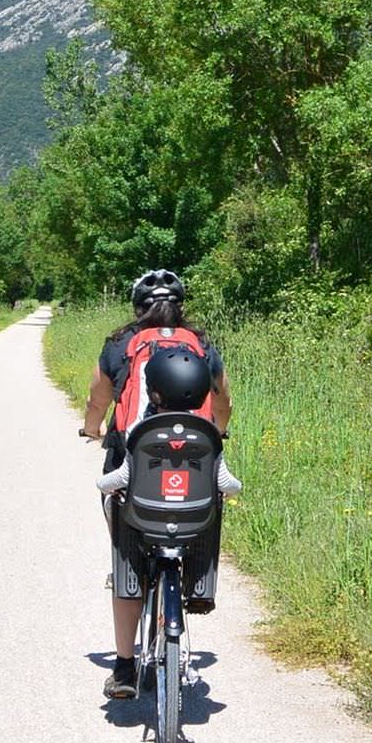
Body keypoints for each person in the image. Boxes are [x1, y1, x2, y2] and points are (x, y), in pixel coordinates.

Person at [79, 269, 241, 700]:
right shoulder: (201, 346)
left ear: (137, 308)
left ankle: (125, 666)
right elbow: (222, 399)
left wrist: (91, 427)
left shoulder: (120, 346)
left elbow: (98, 397)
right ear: (181, 305)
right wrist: (217, 432)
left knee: (127, 560)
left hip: (132, 465)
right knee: (197, 519)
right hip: (197, 467)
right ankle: (193, 582)